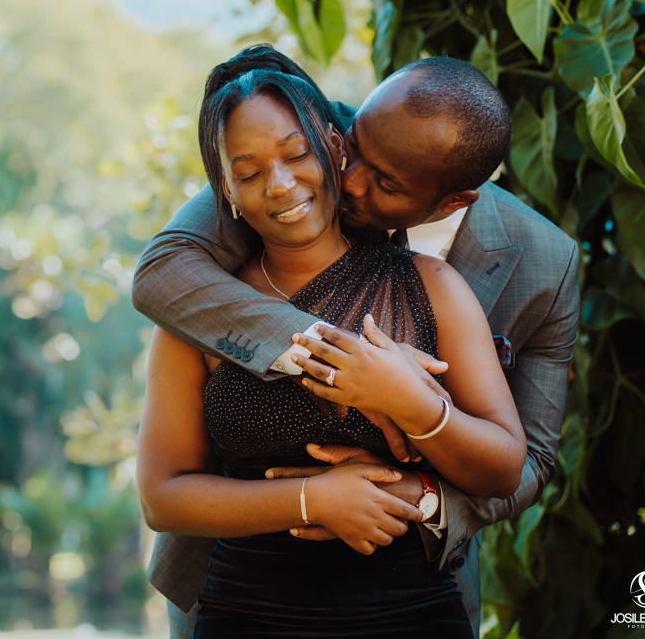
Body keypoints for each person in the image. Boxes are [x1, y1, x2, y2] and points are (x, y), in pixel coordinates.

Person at [132, 47, 580, 636]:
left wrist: (413, 471)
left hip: (410, 591)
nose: (348, 181)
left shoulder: (537, 266)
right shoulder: (300, 141)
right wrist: (335, 360)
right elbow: (162, 272)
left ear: (451, 202)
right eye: (351, 149)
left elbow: (528, 459)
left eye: (385, 181)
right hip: (236, 590)